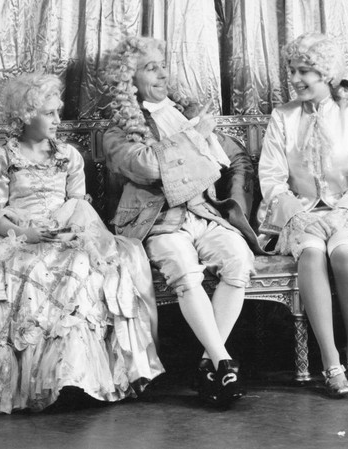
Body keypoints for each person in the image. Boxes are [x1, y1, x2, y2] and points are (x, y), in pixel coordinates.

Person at [0, 72, 164, 413]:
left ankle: (76, 374)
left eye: (58, 112)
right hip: (20, 239)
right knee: (32, 271)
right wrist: (24, 234)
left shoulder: (68, 155)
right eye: (49, 113)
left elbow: (78, 207)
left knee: (81, 267)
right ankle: (41, 380)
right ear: (26, 116)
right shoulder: (5, 156)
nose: (57, 119)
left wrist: (67, 233)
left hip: (64, 235)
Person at [102, 36, 264, 407]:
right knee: (183, 269)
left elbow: (230, 158)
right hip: (158, 221)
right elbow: (145, 166)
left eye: (162, 65)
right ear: (130, 81)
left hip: (203, 213)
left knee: (238, 259)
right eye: (150, 67)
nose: (162, 74)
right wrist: (194, 137)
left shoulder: (183, 112)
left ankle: (211, 363)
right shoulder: (119, 128)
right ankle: (223, 362)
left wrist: (232, 198)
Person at [257, 33, 348, 398]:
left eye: (305, 72)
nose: (296, 79)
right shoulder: (282, 118)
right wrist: (298, 214)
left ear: (327, 74)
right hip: (298, 212)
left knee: (344, 253)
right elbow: (271, 177)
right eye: (293, 71)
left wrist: (342, 211)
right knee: (313, 253)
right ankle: (330, 360)